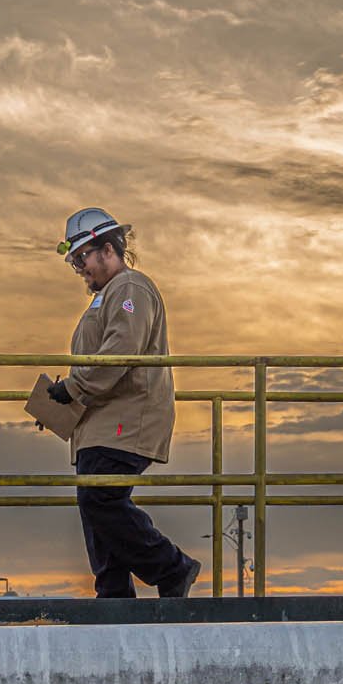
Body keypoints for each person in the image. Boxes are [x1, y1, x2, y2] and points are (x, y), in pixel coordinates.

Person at [44, 208, 202, 599]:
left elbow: (121, 350)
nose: (80, 269)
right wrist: (61, 403)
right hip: (99, 424)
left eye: (82, 258)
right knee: (95, 507)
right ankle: (113, 595)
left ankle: (171, 567)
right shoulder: (107, 297)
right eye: (75, 262)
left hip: (125, 421)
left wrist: (74, 388)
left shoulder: (130, 289)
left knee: (100, 499)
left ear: (109, 249)